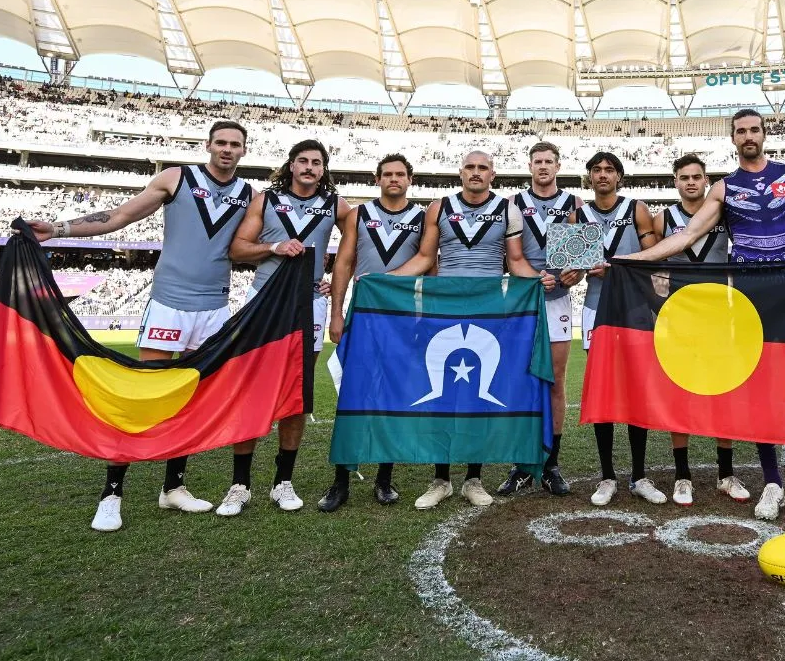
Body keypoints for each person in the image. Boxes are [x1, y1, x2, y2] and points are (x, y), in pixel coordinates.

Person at [29, 120, 253, 533]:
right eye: (220, 142)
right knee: (141, 397)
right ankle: (111, 495)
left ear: (244, 151)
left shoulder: (248, 196)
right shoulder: (176, 177)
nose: (226, 149)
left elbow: (258, 246)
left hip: (215, 309)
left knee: (190, 398)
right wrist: (60, 229)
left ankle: (173, 488)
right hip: (169, 305)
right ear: (208, 145)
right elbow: (120, 216)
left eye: (234, 144)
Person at [619, 109, 785, 522]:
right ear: (733, 139)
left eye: (754, 129)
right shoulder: (723, 188)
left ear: (764, 134)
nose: (748, 136)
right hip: (748, 298)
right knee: (759, 388)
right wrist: (633, 258)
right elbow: (685, 235)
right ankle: (772, 482)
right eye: (741, 131)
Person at [390, 151, 555, 510]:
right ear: (460, 172)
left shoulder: (507, 209)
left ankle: (473, 479)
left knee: (480, 391)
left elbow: (514, 261)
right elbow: (424, 259)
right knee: (442, 394)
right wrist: (384, 281)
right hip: (443, 307)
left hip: (489, 309)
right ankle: (441, 479)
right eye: (470, 167)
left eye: (482, 167)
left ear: (492, 174)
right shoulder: (439, 207)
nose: (476, 173)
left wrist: (537, 277)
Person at [222, 139, 351, 517]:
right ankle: (240, 484)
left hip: (309, 302)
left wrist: (327, 278)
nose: (310, 167)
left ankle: (283, 481)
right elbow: (237, 248)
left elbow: (360, 244)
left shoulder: (336, 206)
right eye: (303, 161)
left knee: (297, 390)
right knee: (251, 387)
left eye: (317, 162)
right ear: (291, 166)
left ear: (323, 169)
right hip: (265, 298)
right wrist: (274, 247)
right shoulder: (266, 199)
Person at [317, 153, 427, 512]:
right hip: (363, 317)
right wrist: (336, 313)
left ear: (409, 179)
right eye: (387, 174)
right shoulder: (359, 214)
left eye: (400, 174)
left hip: (403, 320)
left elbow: (430, 266)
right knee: (353, 396)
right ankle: (341, 480)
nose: (394, 179)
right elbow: (344, 263)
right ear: (377, 179)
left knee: (392, 398)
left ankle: (384, 478)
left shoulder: (422, 217)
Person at [656, 153, 749, 507]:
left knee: (721, 394)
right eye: (684, 177)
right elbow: (651, 264)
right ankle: (683, 476)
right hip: (678, 317)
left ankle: (725, 473)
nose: (691, 182)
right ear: (675, 181)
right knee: (680, 395)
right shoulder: (662, 217)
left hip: (719, 316)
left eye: (697, 177)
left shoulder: (726, 214)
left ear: (706, 180)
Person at [576, 151, 664, 507]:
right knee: (603, 391)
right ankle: (607, 476)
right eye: (596, 170)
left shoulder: (636, 209)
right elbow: (575, 267)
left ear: (619, 177)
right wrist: (580, 270)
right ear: (589, 177)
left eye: (609, 170)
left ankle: (639, 475)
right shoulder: (578, 213)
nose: (602, 175)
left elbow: (653, 258)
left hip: (634, 309)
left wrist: (613, 266)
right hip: (596, 308)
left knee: (637, 390)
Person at [497, 142, 584, 497]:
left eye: (549, 161)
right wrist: (535, 277)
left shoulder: (574, 204)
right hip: (522, 298)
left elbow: (579, 258)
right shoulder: (513, 204)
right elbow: (511, 255)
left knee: (555, 381)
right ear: (530, 166)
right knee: (522, 380)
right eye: (538, 162)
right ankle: (521, 464)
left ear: (558, 165)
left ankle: (550, 464)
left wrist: (573, 273)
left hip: (558, 299)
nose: (543, 167)